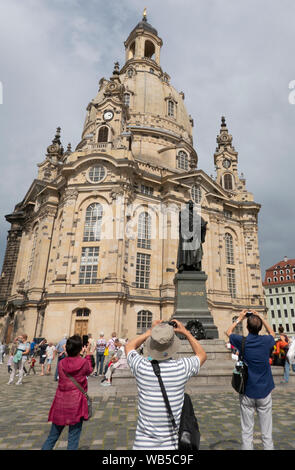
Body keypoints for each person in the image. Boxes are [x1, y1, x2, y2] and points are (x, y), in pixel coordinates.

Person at [125, 319, 207, 450]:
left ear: (151, 344)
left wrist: (151, 332)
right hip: (171, 447)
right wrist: (186, 332)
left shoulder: (141, 367)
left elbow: (129, 346)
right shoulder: (182, 368)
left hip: (142, 445)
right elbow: (202, 354)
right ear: (173, 345)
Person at [226, 309, 276, 450]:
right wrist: (260, 317)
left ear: (247, 327)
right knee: (267, 433)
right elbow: (272, 333)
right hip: (264, 391)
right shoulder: (266, 341)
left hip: (247, 390)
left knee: (247, 432)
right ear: (260, 327)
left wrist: (239, 318)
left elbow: (228, 332)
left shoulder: (242, 341)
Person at [41, 335, 93, 450]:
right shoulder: (83, 362)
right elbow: (89, 370)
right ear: (80, 349)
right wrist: (88, 355)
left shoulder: (61, 363)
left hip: (61, 401)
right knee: (73, 438)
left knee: (52, 436)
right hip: (76, 403)